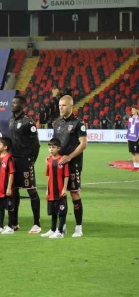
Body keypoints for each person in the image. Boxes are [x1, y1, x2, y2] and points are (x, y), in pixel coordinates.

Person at [52, 95, 88, 237]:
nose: (61, 107)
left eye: (64, 105)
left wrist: (69, 157)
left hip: (73, 164)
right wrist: (52, 158)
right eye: (60, 105)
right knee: (60, 195)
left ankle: (79, 227)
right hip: (59, 165)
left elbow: (83, 144)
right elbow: (54, 143)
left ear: (71, 106)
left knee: (74, 193)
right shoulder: (57, 123)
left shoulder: (79, 123)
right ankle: (62, 226)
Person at [8, 95, 42, 234]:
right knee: (14, 191)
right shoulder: (10, 120)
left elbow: (36, 144)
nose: (12, 105)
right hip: (13, 160)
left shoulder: (29, 122)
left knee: (31, 190)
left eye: (15, 103)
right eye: (12, 102)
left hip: (25, 160)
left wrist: (31, 160)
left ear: (22, 105)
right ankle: (14, 223)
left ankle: (37, 224)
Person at [41, 139, 70, 239]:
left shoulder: (63, 160)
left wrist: (64, 189)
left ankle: (60, 231)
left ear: (59, 148)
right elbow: (49, 176)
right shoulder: (49, 161)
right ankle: (53, 229)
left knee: (61, 212)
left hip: (60, 191)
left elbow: (66, 176)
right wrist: (47, 190)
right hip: (52, 191)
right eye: (49, 147)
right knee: (53, 212)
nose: (51, 149)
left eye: (53, 147)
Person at [0, 137, 16, 235]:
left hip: (6, 188)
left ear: (5, 147)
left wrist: (9, 187)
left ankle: (10, 227)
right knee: (0, 208)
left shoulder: (9, 158)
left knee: (9, 207)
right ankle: (0, 226)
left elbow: (11, 173)